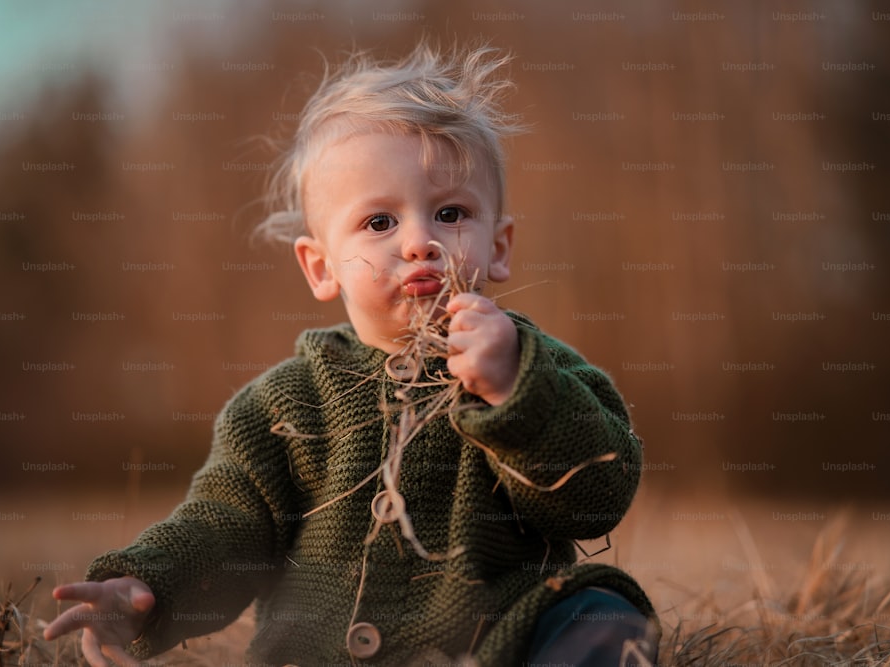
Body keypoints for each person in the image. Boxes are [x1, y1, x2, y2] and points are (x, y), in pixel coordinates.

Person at [44, 42, 660, 667]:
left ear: (499, 246)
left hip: (499, 642)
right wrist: (148, 583)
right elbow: (225, 526)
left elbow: (598, 497)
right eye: (379, 223)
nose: (421, 242)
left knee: (602, 611)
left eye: (451, 213)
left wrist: (511, 395)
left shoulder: (537, 369)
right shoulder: (283, 406)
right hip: (321, 652)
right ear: (320, 266)